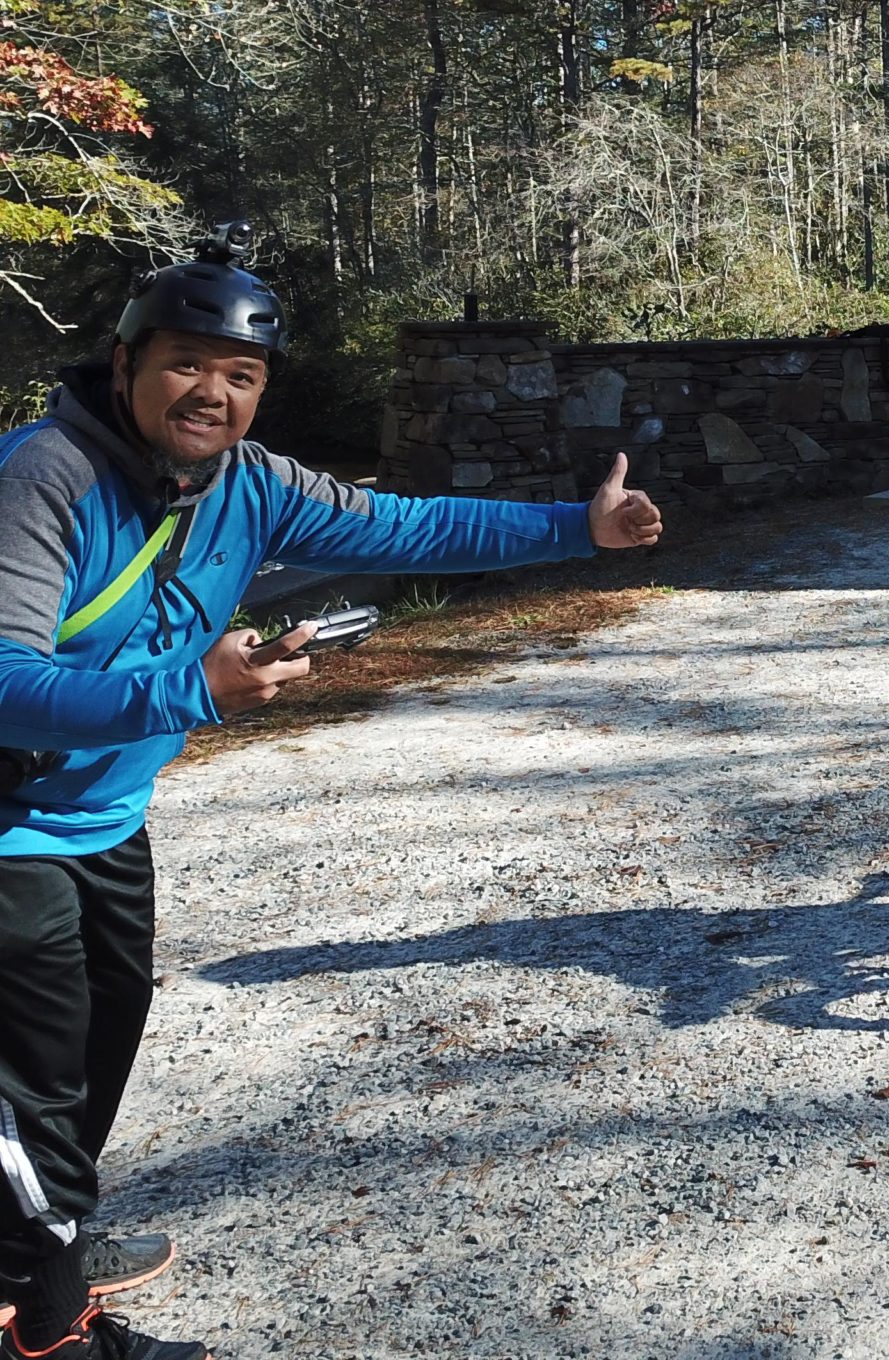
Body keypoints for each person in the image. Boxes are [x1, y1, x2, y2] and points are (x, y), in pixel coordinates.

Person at [0, 228, 664, 1360]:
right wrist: (190, 688)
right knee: (32, 1104)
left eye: (240, 376)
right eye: (183, 365)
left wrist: (579, 530)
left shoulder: (250, 487)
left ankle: (41, 1240)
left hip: (105, 820)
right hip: (11, 835)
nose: (210, 392)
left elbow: (415, 524)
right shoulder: (44, 476)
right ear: (125, 367)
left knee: (93, 1065)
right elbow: (8, 686)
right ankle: (48, 1324)